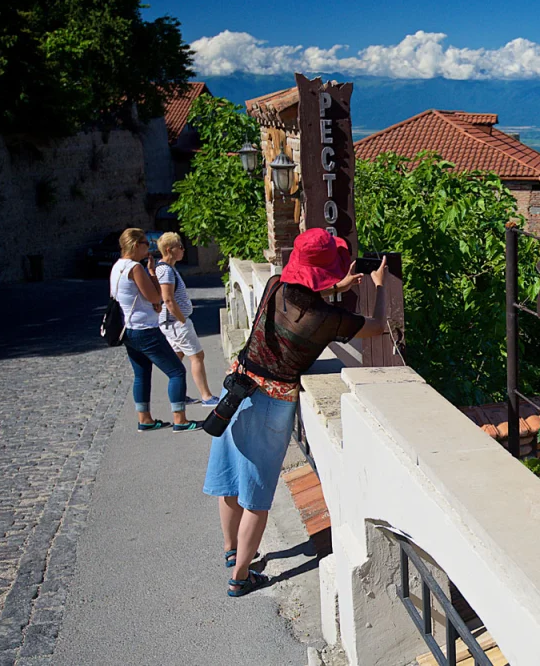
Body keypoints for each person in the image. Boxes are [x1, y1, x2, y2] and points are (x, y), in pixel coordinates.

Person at [203, 228, 388, 597]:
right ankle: (240, 577)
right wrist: (379, 286)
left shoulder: (274, 286)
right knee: (257, 495)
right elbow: (378, 327)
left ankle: (230, 552)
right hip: (273, 405)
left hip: (238, 392)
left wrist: (335, 284)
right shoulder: (328, 319)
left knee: (230, 483)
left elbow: (301, 298)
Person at [109, 228, 203, 433]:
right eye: (145, 244)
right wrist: (151, 273)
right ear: (135, 246)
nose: (148, 248)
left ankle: (145, 419)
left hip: (129, 329)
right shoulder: (135, 268)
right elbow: (155, 297)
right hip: (146, 330)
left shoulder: (117, 267)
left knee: (141, 374)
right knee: (176, 371)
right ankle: (180, 420)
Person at [155, 232, 218, 407]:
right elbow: (168, 299)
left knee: (176, 361)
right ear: (169, 250)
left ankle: (179, 396)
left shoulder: (167, 268)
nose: (183, 250)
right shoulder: (166, 271)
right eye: (180, 247)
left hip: (172, 323)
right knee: (197, 356)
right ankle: (206, 397)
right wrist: (182, 320)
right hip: (176, 323)